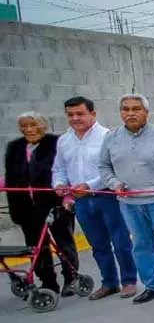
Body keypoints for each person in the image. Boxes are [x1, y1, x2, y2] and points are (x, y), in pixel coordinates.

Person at [98, 94, 154, 304]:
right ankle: (153, 286)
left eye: (136, 109)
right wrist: (114, 183)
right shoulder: (111, 138)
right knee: (141, 245)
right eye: (126, 109)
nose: (131, 113)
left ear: (146, 112)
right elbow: (104, 166)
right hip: (129, 204)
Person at [52, 96, 137, 300]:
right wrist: (59, 184)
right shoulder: (64, 141)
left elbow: (114, 168)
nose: (75, 118)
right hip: (81, 201)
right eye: (70, 115)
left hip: (107, 197)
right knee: (98, 245)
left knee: (120, 242)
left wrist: (89, 186)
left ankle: (129, 281)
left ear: (93, 114)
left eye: (80, 114)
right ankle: (109, 283)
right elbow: (59, 168)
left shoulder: (107, 137)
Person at [6, 112, 79, 297]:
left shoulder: (56, 143)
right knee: (36, 247)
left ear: (44, 126)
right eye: (24, 126)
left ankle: (71, 278)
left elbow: (68, 172)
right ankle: (48, 283)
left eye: (33, 125)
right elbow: (10, 178)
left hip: (55, 204)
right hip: (26, 207)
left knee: (64, 242)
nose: (29, 129)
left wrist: (68, 198)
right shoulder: (15, 148)